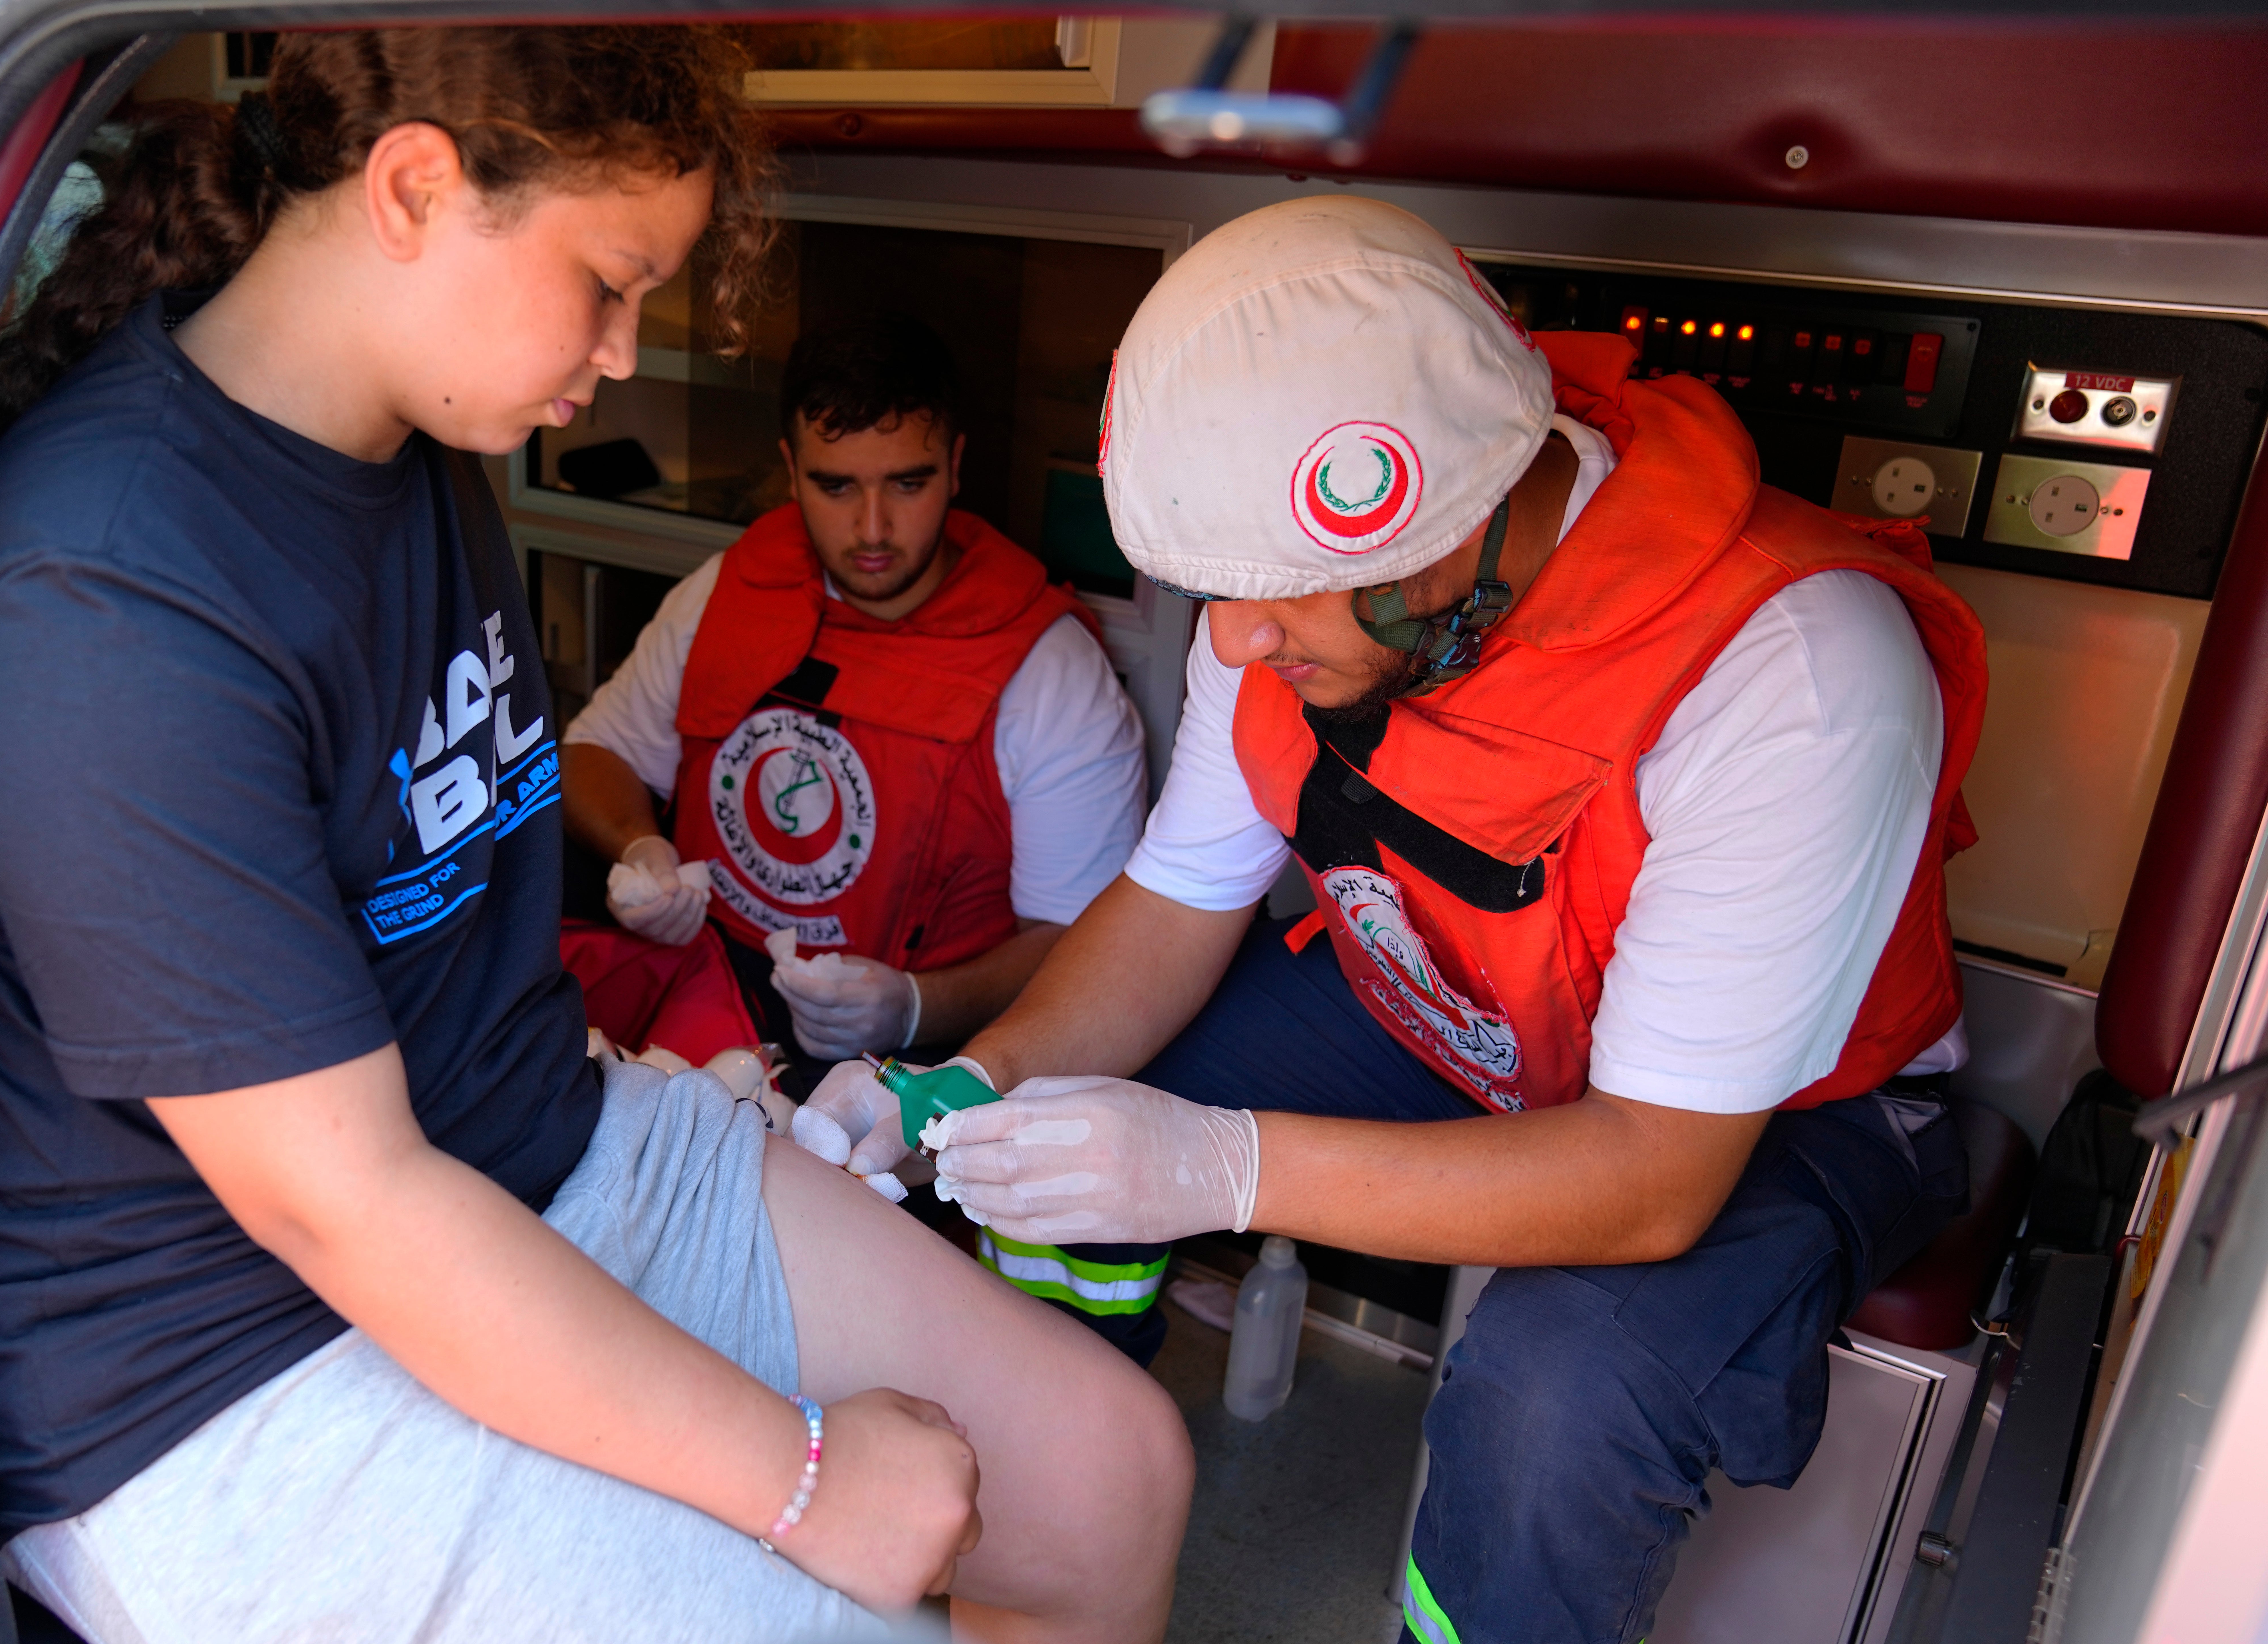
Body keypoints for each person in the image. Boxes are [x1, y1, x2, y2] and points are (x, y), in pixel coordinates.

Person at [0, 29, 1187, 1644]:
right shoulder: (104, 597)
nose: (630, 357)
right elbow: (339, 1202)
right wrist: (801, 1481)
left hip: (534, 1149)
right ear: (416, 188)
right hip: (220, 1358)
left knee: (1114, 1474)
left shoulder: (425, 449)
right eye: (608, 283)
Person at [800, 197, 1987, 1642]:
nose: (1233, 645)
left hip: (1787, 1116)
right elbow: (1178, 903)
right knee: (1069, 1103)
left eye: (1277, 596)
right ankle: (1044, 1523)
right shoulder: (1289, 598)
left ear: (1467, 516)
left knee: (1564, 1391)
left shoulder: (1791, 673)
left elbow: (1650, 1176)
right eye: (1216, 594)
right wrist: (969, 1083)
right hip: (1464, 1014)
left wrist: (1219, 1169)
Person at [559, 312, 1147, 1096]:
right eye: (836, 487)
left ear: (956, 464)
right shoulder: (732, 588)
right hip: (702, 987)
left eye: (909, 482)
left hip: (906, 1058)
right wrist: (639, 849)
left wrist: (914, 1009)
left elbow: (1085, 946)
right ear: (790, 469)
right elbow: (595, 752)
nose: (874, 530)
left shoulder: (1049, 672)